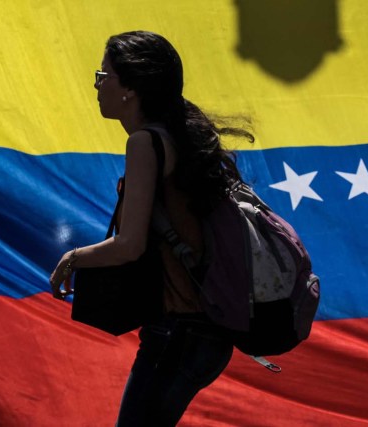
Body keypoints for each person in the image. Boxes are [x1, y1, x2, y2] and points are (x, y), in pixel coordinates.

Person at [49, 31, 253, 425]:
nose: (97, 84)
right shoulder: (179, 136)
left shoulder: (145, 143)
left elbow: (129, 245)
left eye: (104, 74)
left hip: (179, 333)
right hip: (203, 334)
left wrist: (73, 258)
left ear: (131, 88)